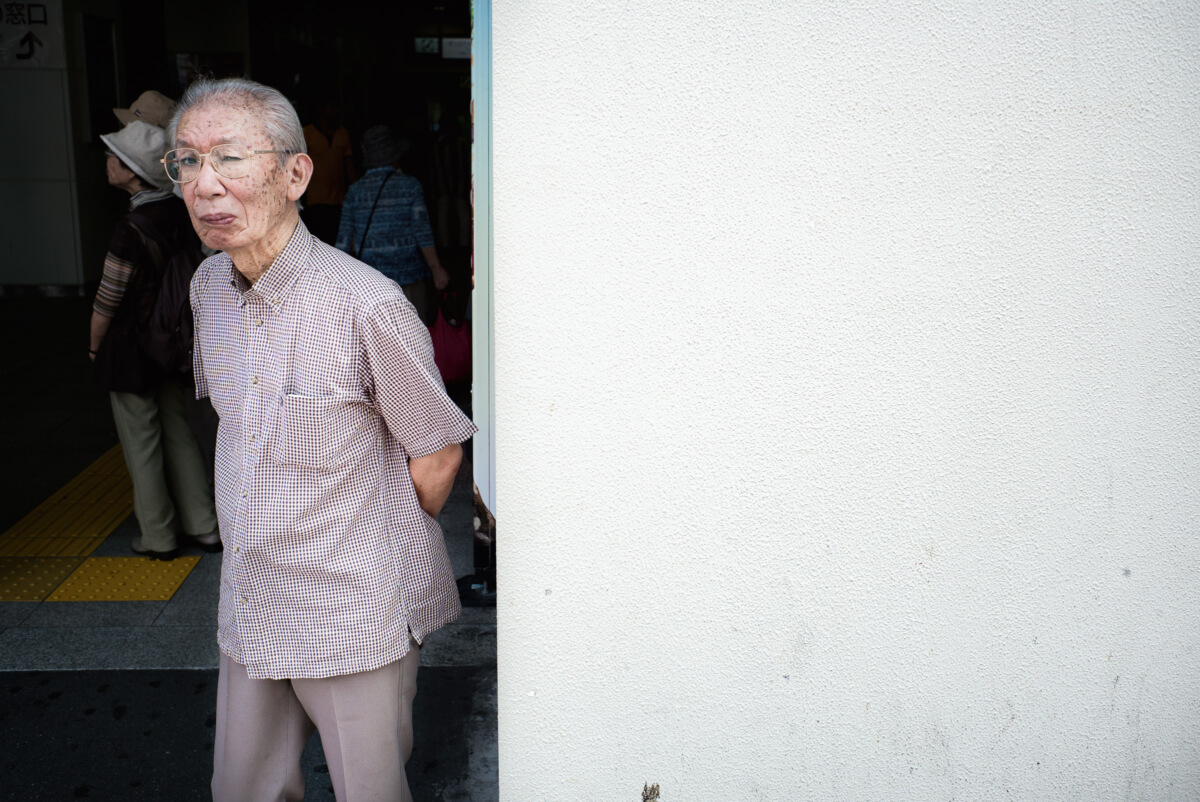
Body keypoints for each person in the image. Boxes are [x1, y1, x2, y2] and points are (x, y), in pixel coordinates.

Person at [165, 77, 476, 801]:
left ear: (296, 173)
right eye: (185, 162)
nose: (204, 184)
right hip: (250, 601)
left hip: (350, 611)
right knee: (242, 788)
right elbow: (242, 426)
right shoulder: (208, 287)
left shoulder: (368, 305)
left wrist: (365, 538)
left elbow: (436, 456)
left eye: (229, 158)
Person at [89, 120, 221, 560]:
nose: (107, 163)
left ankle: (158, 536)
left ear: (131, 172)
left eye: (115, 157)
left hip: (129, 348)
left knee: (142, 442)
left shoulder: (131, 227)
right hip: (170, 342)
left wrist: (93, 346)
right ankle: (203, 524)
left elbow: (109, 298)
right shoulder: (179, 214)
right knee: (179, 431)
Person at [335, 124, 450, 326]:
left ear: (366, 152)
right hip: (409, 279)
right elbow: (422, 233)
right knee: (414, 344)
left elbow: (343, 242)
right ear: (394, 155)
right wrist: (437, 269)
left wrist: (336, 281)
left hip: (369, 284)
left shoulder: (354, 192)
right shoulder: (411, 186)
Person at [300, 100, 356, 245]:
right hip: (315, 202)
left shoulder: (343, 134)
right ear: (321, 109)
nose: (336, 111)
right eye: (332, 106)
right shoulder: (307, 134)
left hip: (339, 202)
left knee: (337, 246)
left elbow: (348, 166)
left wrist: (355, 193)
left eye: (337, 107)